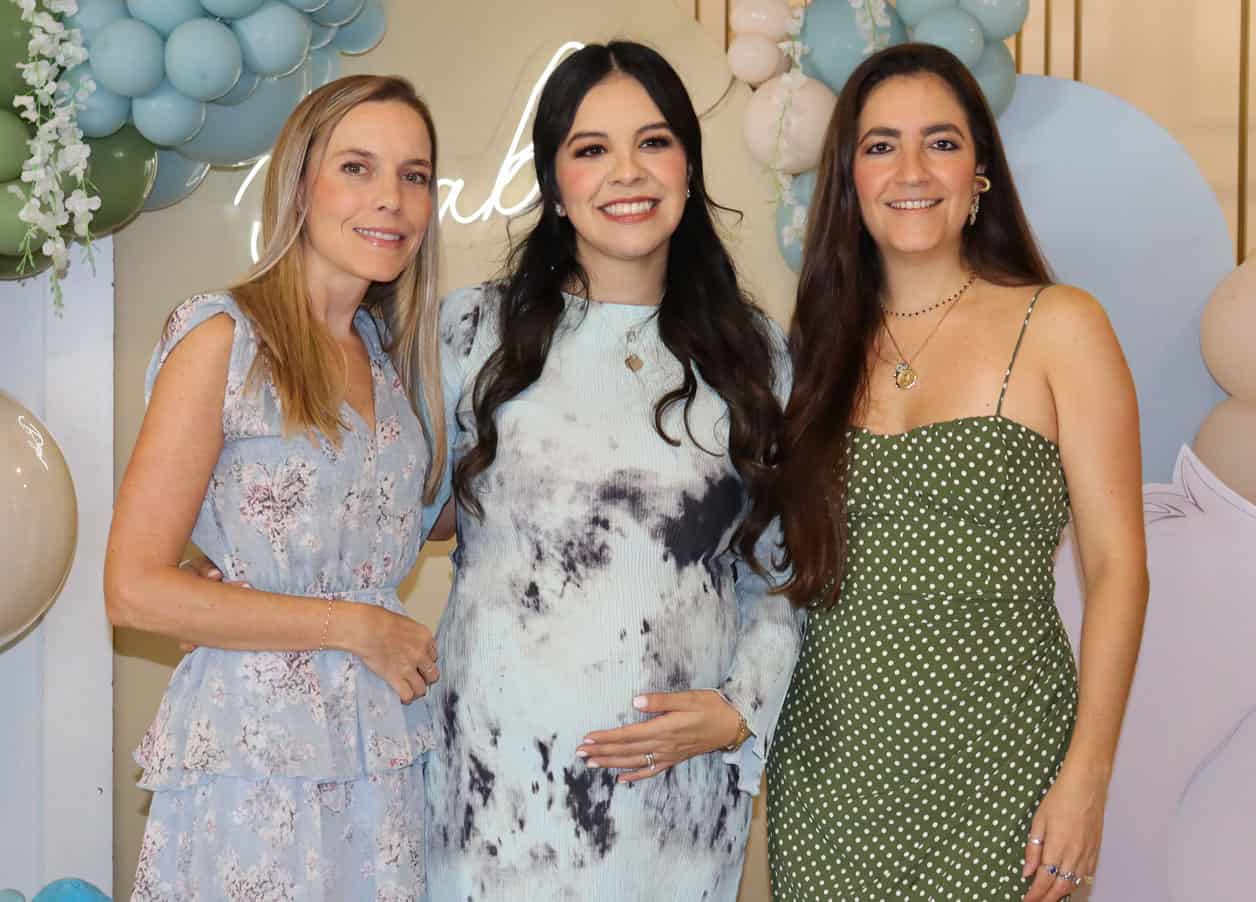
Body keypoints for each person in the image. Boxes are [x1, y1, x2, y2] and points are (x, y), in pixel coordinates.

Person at [765, 43, 1148, 902]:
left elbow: (1119, 567)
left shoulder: (1061, 324)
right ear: (850, 180)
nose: (912, 170)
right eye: (880, 146)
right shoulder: (810, 351)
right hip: (827, 781)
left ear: (980, 173)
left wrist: (1086, 778)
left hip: (1004, 777)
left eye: (940, 142)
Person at [426, 41, 802, 900]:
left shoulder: (753, 354)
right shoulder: (471, 333)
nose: (626, 172)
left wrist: (739, 709)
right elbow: (386, 510)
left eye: (654, 142)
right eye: (591, 149)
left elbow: (781, 570)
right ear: (555, 185)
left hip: (673, 814)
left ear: (689, 168)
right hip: (494, 799)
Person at [105, 75, 446, 901]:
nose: (391, 199)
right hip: (254, 760)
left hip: (380, 756)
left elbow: (402, 522)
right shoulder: (223, 338)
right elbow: (133, 590)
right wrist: (353, 626)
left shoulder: (390, 359)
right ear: (299, 183)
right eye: (357, 167)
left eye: (414, 175)